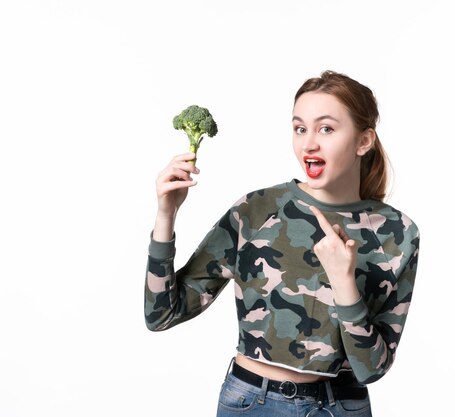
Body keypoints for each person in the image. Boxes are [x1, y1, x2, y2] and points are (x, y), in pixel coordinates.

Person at [144, 70, 420, 417]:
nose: (309, 144)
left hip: (340, 406)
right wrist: (166, 216)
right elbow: (161, 314)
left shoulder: (397, 231)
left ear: (363, 141)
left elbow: (371, 369)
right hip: (250, 403)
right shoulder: (255, 210)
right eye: (300, 128)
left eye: (327, 129)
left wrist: (344, 282)